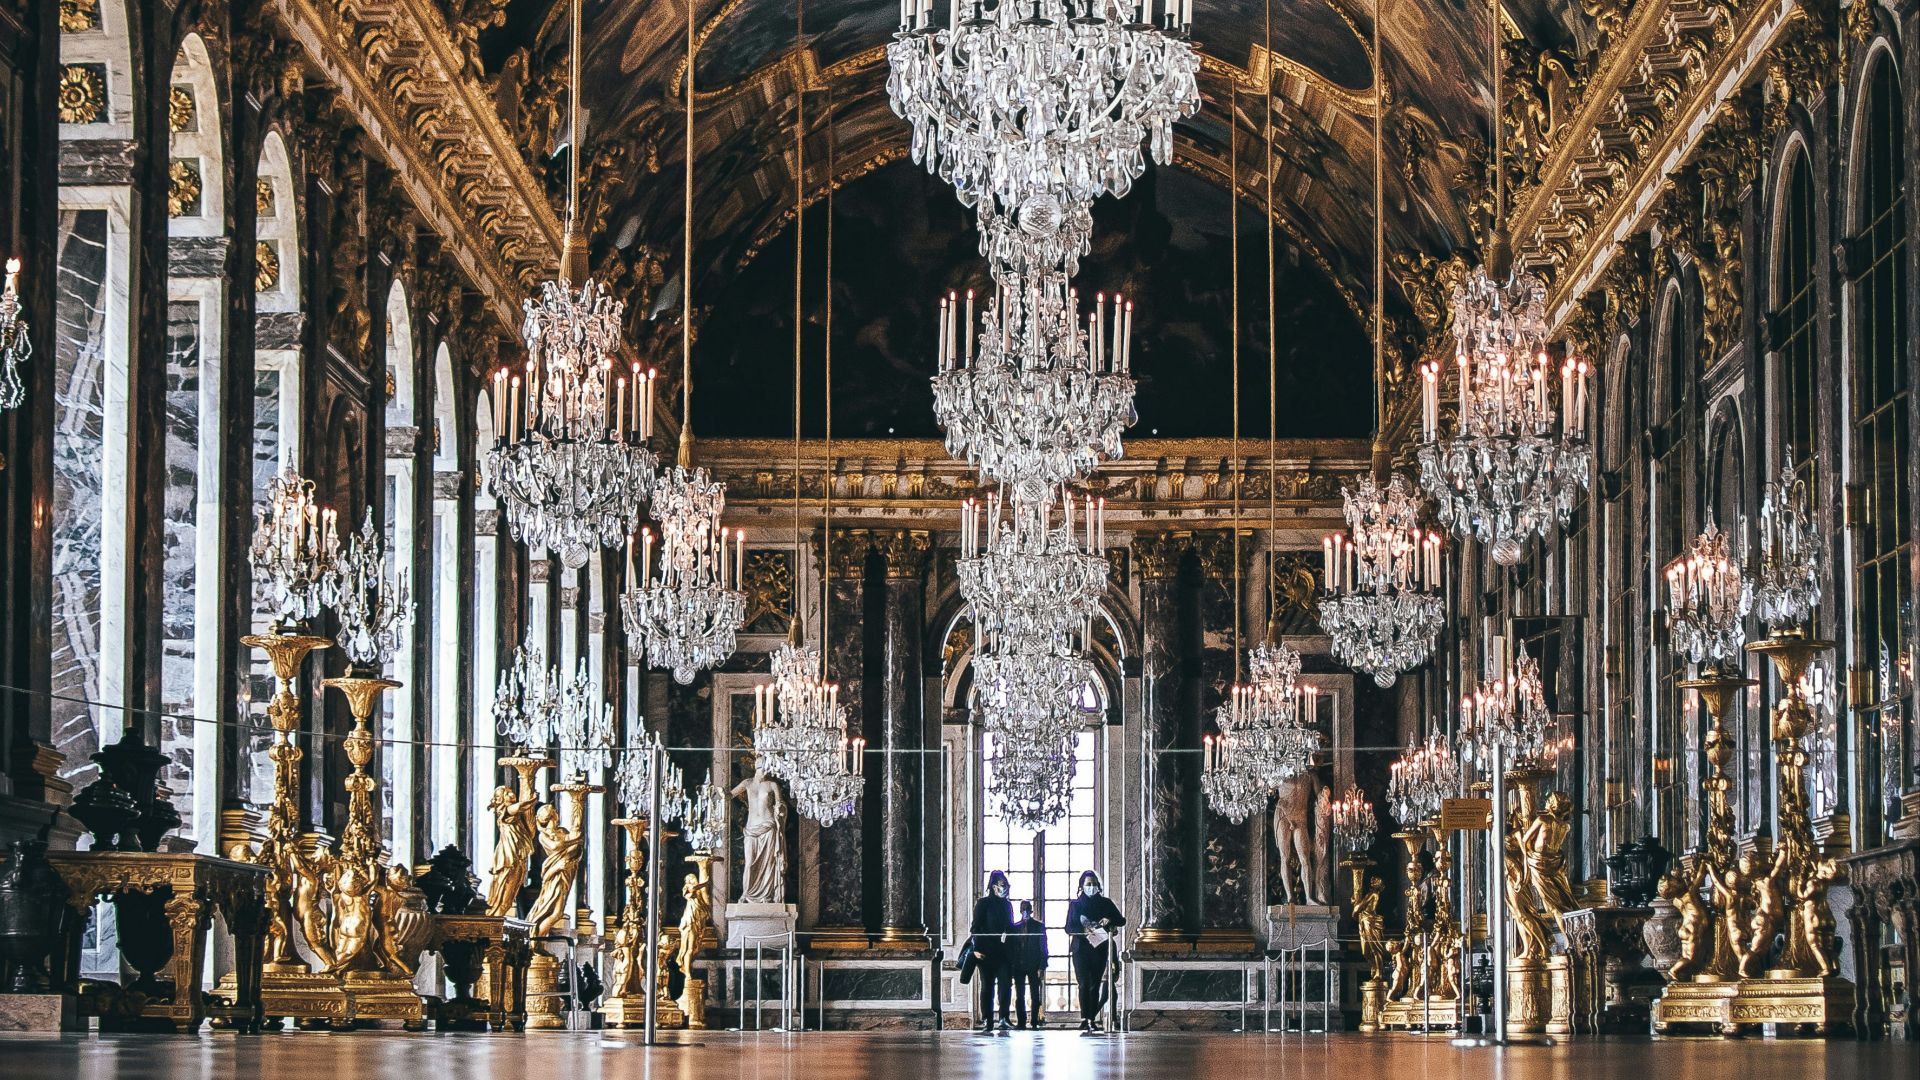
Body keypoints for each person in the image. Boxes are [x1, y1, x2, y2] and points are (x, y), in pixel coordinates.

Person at [1065, 870, 1125, 1033]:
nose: (1091, 887)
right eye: (1088, 884)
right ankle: (1085, 1018)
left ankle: (1091, 1019)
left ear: (1098, 886)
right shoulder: (1075, 905)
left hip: (1100, 948)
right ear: (1082, 886)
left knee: (1095, 984)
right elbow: (1068, 927)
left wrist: (1109, 919)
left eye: (1093, 884)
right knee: (1083, 983)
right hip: (1081, 949)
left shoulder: (1105, 903)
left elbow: (1122, 920)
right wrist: (1083, 929)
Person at [970, 870, 1015, 1034]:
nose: (1006, 889)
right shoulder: (982, 903)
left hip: (1003, 953)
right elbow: (975, 928)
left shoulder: (1008, 905)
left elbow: (1010, 927)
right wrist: (976, 949)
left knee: (1005, 986)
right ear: (994, 886)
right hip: (986, 953)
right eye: (1003, 885)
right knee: (987, 987)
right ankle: (988, 1019)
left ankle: (1003, 1018)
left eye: (1007, 886)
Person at [1009, 899, 1049, 1029]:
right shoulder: (1015, 927)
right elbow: (1013, 948)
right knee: (1019, 994)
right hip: (1019, 965)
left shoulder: (1038, 926)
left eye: (1027, 909)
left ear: (1031, 910)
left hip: (1034, 964)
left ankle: (1034, 1022)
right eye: (1023, 909)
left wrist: (1042, 966)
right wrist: (1012, 965)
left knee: (1035, 994)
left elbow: (1043, 947)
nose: (1025, 912)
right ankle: (1021, 1022)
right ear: (1020, 911)